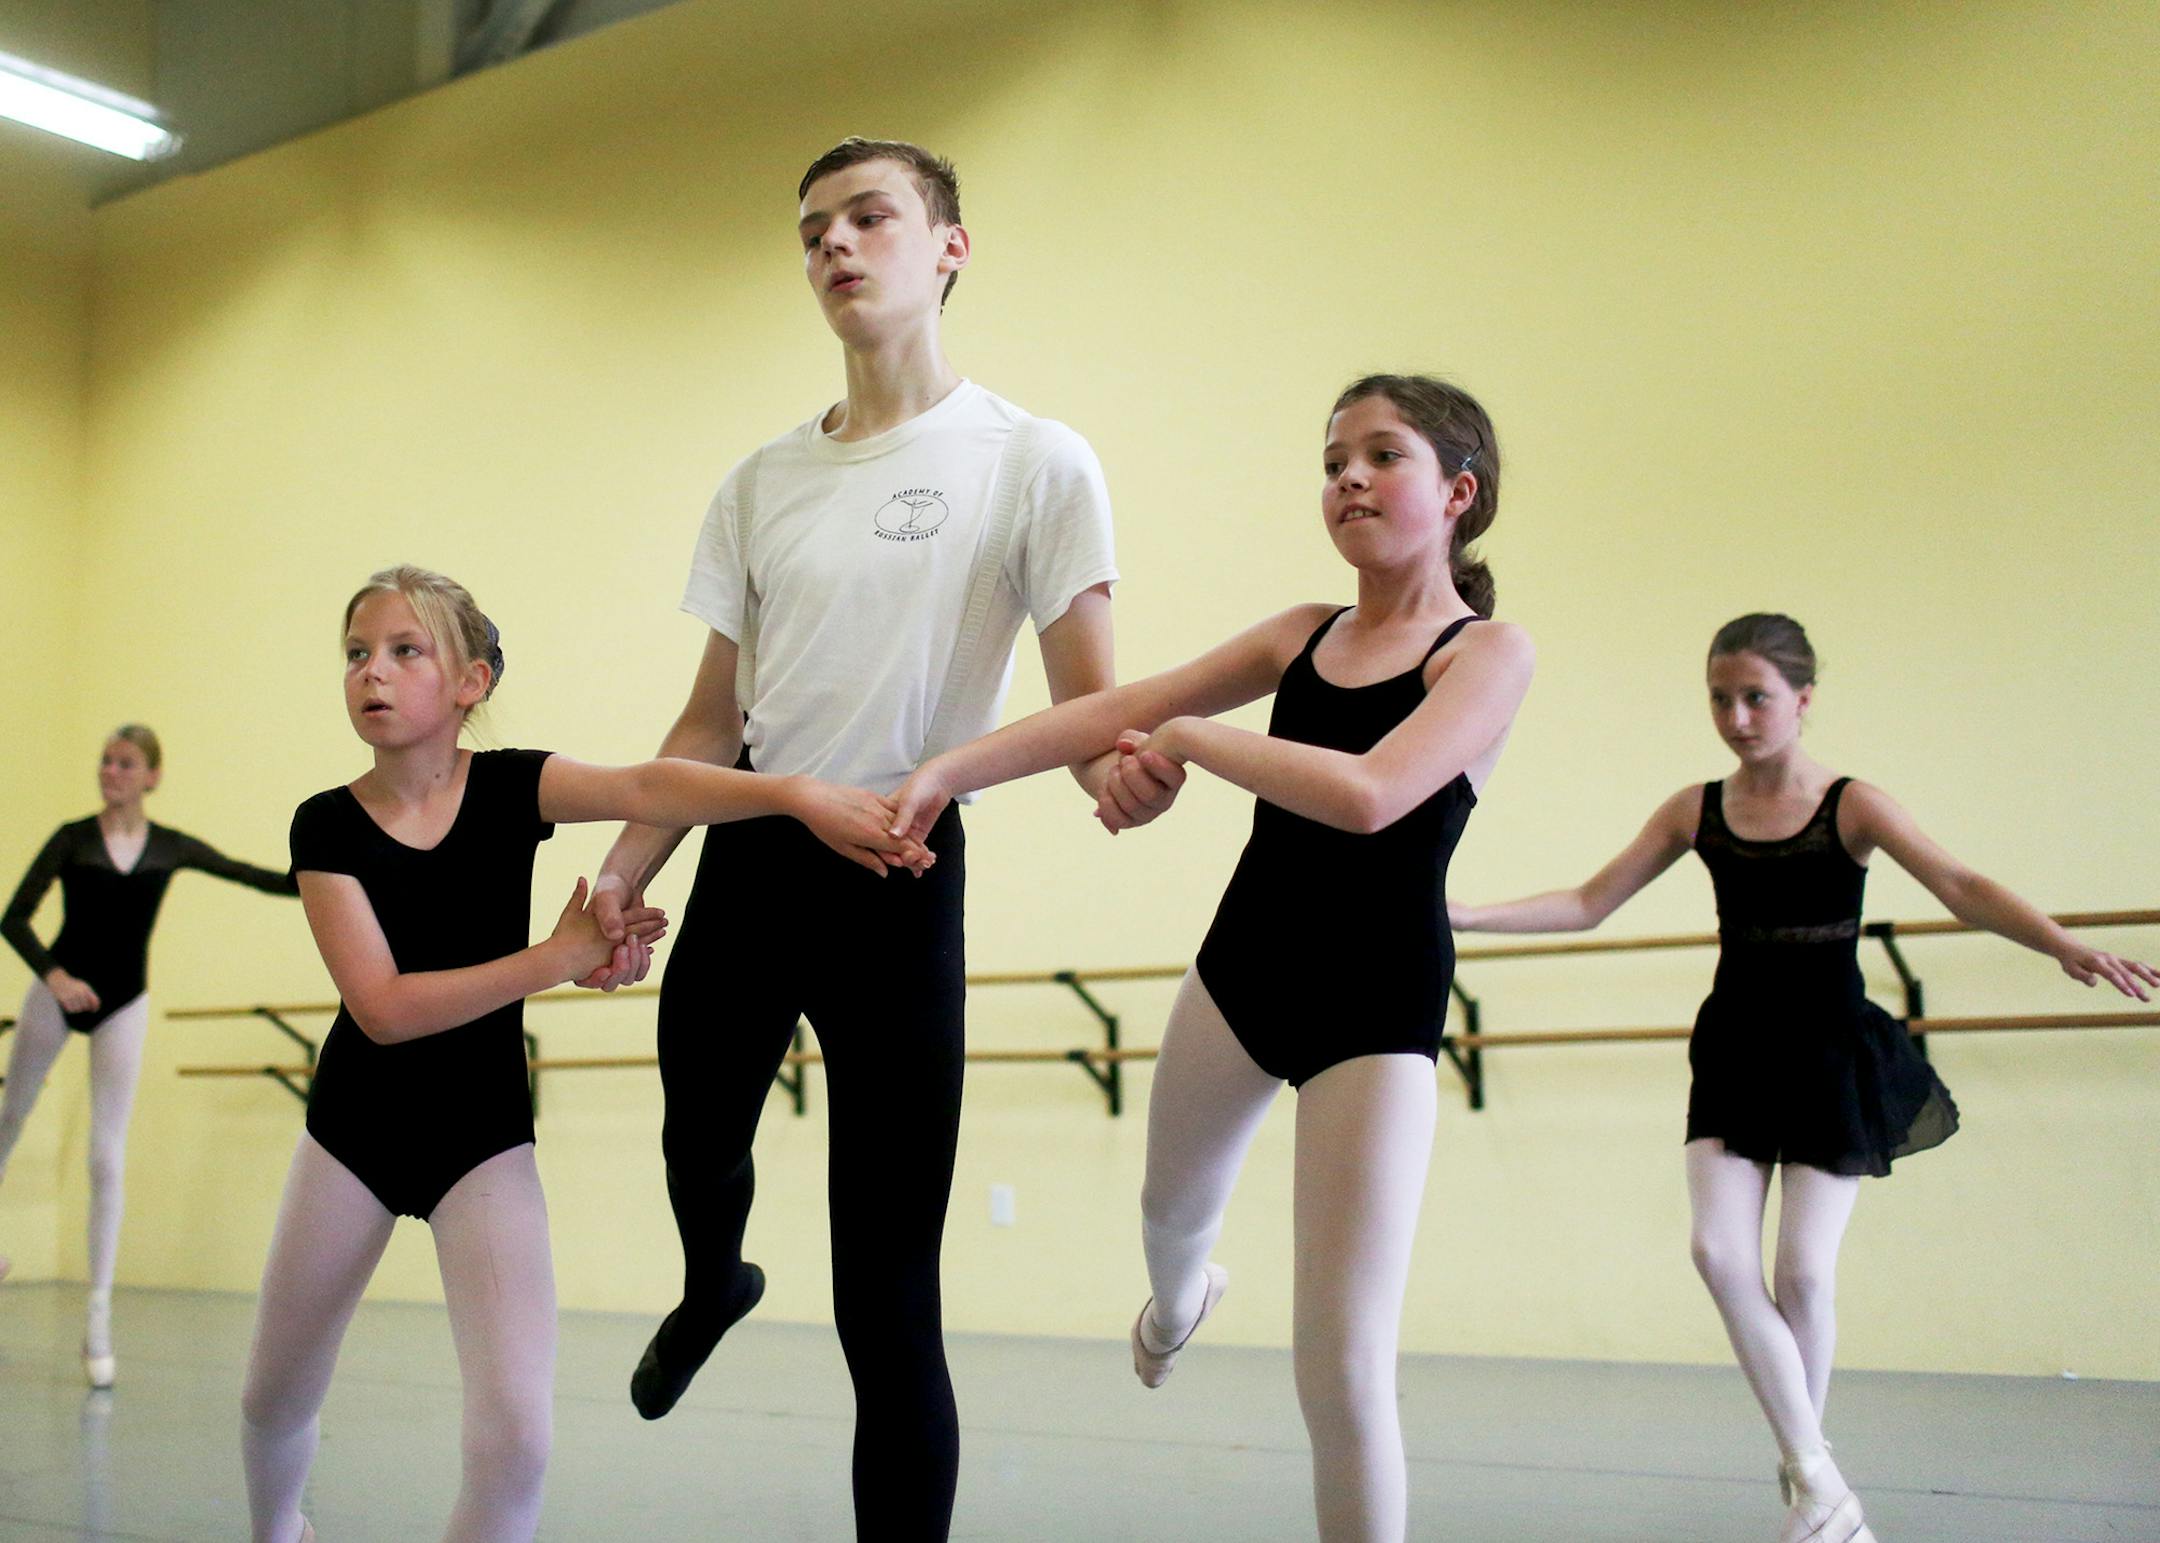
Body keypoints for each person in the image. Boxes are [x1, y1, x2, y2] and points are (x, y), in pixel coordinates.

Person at [577, 137, 1126, 1539]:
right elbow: (709, 717)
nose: (835, 244)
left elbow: (1094, 708)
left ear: (948, 245)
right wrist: (625, 874)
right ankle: (713, 1282)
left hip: (900, 871)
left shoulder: (1034, 460)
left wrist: (1120, 770)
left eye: (869, 217)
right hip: (752, 857)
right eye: (813, 226)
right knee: (698, 1134)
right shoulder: (761, 480)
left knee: (886, 1295)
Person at [889, 373, 1536, 1543]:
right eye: (1334, 458)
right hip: (1245, 974)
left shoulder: (1484, 654)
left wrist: (1193, 740)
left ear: (1457, 493)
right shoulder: (1304, 635)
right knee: (1168, 1208)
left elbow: (1374, 793)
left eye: (1382, 456)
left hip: (1375, 1011)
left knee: (1340, 1365)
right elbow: (1119, 705)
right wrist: (944, 773)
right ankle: (1182, 1301)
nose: (1347, 476)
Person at [239, 565, 929, 1543]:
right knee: (274, 1396)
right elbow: (383, 1008)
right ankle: (279, 1531)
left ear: (471, 682)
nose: (373, 673)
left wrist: (792, 794)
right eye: (357, 654)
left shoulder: (513, 785)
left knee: (516, 1437)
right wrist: (557, 957)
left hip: (480, 1140)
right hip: (350, 1135)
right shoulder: (326, 825)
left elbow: (648, 784)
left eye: (404, 651)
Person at [1449, 611, 2157, 1543]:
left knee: (1804, 1274)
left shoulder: (1851, 803)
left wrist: (2060, 941)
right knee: (1717, 1253)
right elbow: (1588, 902)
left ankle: (1811, 1491)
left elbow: (1959, 882)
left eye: (1757, 698)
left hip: (1830, 1051)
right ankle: (1819, 1482)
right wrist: (1452, 911)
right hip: (1735, 1048)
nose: (1737, 718)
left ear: (1803, 700)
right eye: (1720, 699)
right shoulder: (1693, 808)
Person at [1, 724, 296, 1386]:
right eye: (105, 760)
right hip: (57, 991)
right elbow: (14, 916)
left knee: (106, 1155)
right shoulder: (73, 837)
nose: (111, 770)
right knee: (9, 1117)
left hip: (124, 1002)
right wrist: (55, 978)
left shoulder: (170, 847)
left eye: (125, 762)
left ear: (152, 775)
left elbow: (253, 876)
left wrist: (336, 868)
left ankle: (98, 1322)